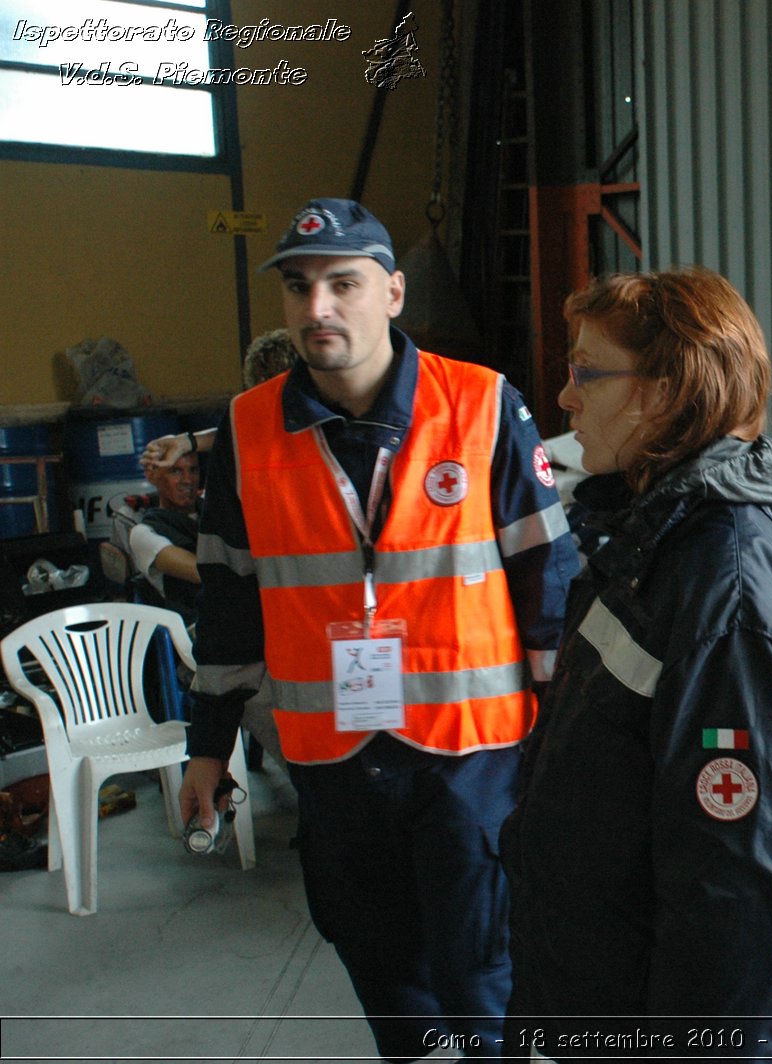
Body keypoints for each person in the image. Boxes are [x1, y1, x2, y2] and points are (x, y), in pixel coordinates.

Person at [178, 197, 579, 1061]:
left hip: (470, 757)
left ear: (393, 292)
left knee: (484, 970)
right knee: (378, 961)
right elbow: (228, 602)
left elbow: (549, 585)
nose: (317, 307)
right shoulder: (248, 431)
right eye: (298, 286)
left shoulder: (479, 405)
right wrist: (207, 747)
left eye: (342, 284)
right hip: (335, 762)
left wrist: (563, 741)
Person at [499, 267, 772, 1059]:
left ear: (667, 392)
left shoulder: (725, 586)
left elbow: (752, 893)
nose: (566, 397)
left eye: (586, 371)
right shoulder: (656, 542)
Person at [140, 329, 300, 469]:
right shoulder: (257, 425)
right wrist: (185, 442)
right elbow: (237, 434)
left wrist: (186, 442)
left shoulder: (314, 423)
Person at [128, 450, 202, 624]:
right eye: (175, 471)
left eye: (193, 470)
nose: (187, 480)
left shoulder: (215, 512)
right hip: (194, 628)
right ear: (152, 476)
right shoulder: (144, 533)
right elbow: (202, 572)